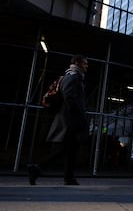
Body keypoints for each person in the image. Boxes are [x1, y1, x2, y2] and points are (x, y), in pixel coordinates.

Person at [27, 55, 89, 185]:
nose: (86, 66)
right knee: (67, 148)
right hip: (70, 120)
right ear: (77, 63)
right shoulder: (73, 77)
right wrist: (79, 114)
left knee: (72, 149)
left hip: (70, 119)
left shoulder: (75, 77)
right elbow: (70, 96)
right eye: (85, 63)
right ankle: (37, 168)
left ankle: (68, 177)